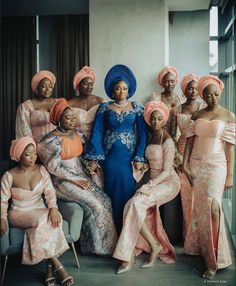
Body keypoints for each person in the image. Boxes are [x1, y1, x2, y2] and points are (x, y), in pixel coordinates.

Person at [37, 98, 117, 255]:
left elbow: (81, 158)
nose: (72, 120)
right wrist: (76, 180)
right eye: (68, 118)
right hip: (62, 181)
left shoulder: (77, 134)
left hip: (81, 177)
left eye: (73, 117)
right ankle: (98, 248)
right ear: (58, 120)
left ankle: (108, 246)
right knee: (95, 204)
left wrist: (89, 165)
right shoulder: (50, 140)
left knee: (105, 200)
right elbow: (54, 168)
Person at [113, 101, 180, 274]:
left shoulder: (168, 140)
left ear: (164, 120)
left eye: (159, 118)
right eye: (153, 119)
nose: (156, 121)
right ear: (149, 120)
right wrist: (141, 169)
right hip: (153, 180)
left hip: (168, 182)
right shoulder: (150, 137)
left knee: (135, 204)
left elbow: (166, 170)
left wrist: (148, 185)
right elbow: (150, 163)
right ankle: (154, 246)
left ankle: (126, 257)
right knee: (130, 205)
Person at [0, 136, 74, 286]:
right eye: (28, 154)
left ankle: (48, 269)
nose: (33, 157)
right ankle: (58, 266)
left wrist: (53, 208)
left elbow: (50, 192)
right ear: (18, 155)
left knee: (53, 217)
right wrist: (2, 219)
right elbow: (2, 200)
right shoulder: (9, 176)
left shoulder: (41, 170)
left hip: (39, 209)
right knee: (42, 220)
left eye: (34, 153)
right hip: (19, 212)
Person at [182, 75, 235, 280]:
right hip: (197, 164)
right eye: (208, 94)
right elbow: (188, 141)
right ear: (202, 95)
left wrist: (230, 175)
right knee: (201, 208)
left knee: (214, 208)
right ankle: (204, 251)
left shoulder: (228, 116)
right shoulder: (196, 115)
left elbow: (231, 148)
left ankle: (216, 259)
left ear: (220, 92)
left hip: (217, 165)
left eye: (215, 93)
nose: (212, 97)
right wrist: (186, 165)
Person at [84, 64, 148, 233]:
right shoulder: (104, 108)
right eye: (118, 88)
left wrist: (139, 157)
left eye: (124, 89)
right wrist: (94, 157)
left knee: (128, 191)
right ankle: (113, 234)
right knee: (111, 191)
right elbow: (97, 131)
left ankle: (127, 233)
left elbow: (143, 134)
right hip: (110, 157)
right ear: (113, 91)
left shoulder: (137, 108)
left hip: (128, 158)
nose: (121, 91)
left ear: (129, 91)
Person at [176, 73, 204, 238]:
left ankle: (202, 235)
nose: (193, 91)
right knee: (186, 194)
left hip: (199, 152)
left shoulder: (204, 108)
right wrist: (177, 159)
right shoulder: (177, 109)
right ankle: (189, 236)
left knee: (199, 192)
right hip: (181, 152)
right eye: (190, 88)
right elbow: (172, 135)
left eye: (195, 88)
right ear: (184, 91)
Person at [15, 70, 57, 142]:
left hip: (59, 145)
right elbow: (24, 132)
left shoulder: (58, 102)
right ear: (36, 88)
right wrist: (32, 148)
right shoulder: (26, 106)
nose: (47, 89)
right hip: (36, 146)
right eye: (43, 86)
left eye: (50, 86)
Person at [68, 66, 104, 141]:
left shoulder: (100, 101)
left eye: (91, 84)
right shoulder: (70, 103)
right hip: (76, 141)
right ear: (78, 85)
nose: (89, 87)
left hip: (97, 142)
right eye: (86, 84)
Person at [149, 65, 183, 141]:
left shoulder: (181, 99)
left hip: (177, 138)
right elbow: (150, 120)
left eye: (172, 81)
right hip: (160, 137)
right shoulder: (156, 97)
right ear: (162, 82)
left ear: (176, 81)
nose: (170, 84)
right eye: (166, 81)